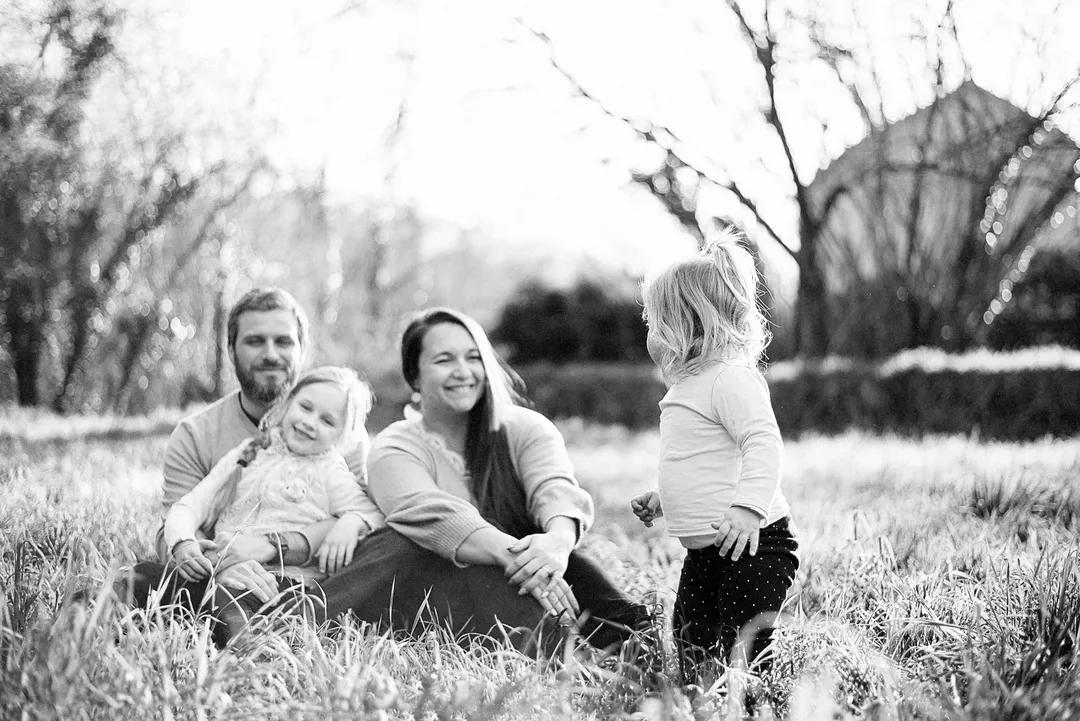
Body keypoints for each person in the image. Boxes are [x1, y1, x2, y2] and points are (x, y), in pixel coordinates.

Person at [315, 308, 651, 654]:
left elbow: (554, 488)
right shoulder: (393, 448)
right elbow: (435, 514)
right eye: (444, 360)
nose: (463, 372)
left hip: (532, 563)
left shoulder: (525, 428)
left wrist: (556, 543)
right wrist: (521, 560)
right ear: (415, 377)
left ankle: (636, 652)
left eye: (473, 358)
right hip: (441, 582)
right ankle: (562, 655)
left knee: (594, 588)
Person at [121, 288, 366, 621]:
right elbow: (179, 523)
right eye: (255, 341)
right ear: (231, 349)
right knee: (140, 577)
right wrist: (219, 567)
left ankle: (245, 644)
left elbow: (363, 525)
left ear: (302, 350)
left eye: (283, 342)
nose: (270, 354)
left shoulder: (342, 441)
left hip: (296, 584)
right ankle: (84, 617)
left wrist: (281, 545)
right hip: (214, 574)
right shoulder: (198, 435)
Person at [630, 229, 799, 684]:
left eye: (654, 322)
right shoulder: (686, 387)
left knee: (742, 643)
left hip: (755, 543)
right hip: (707, 553)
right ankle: (700, 697)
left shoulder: (730, 380)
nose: (649, 334)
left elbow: (762, 443)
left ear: (685, 326)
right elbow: (699, 460)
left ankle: (753, 701)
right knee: (690, 640)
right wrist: (665, 496)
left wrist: (748, 508)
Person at [161, 366, 384, 640]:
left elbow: (375, 515)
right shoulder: (248, 453)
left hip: (283, 584)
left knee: (228, 598)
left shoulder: (331, 474)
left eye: (327, 421)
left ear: (343, 437)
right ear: (287, 403)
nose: (310, 422)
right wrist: (183, 543)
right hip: (219, 571)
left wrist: (352, 522)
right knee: (146, 577)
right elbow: (188, 506)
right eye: (305, 407)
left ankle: (247, 655)